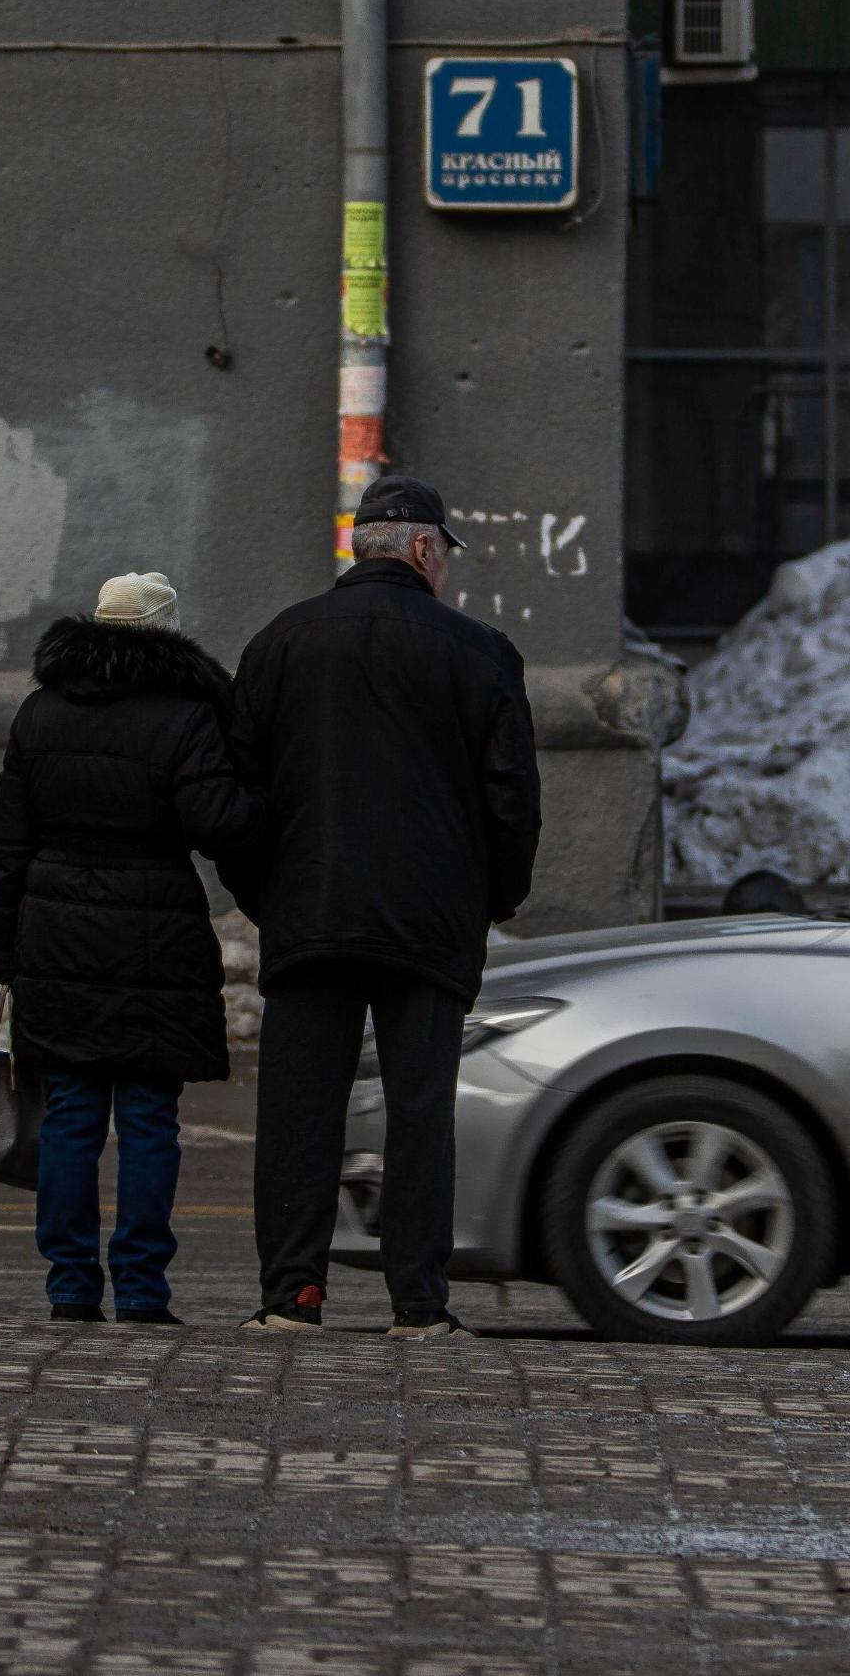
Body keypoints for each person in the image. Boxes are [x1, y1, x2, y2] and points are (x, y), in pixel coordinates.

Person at [226, 474, 540, 1339]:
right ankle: (417, 1303)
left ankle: (292, 1295)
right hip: (430, 920)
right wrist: (491, 897)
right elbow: (511, 795)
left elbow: (237, 794)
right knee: (419, 1112)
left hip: (309, 911)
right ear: (425, 550)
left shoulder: (278, 643)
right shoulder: (479, 651)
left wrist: (267, 896)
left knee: (298, 1113)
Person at [0, 571, 258, 1325]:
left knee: (70, 1111)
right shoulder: (185, 715)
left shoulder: (39, 714)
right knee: (146, 1117)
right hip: (155, 935)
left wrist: (6, 951)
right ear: (166, 632)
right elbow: (218, 824)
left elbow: (5, 846)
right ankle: (141, 1285)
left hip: (55, 934)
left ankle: (70, 1283)